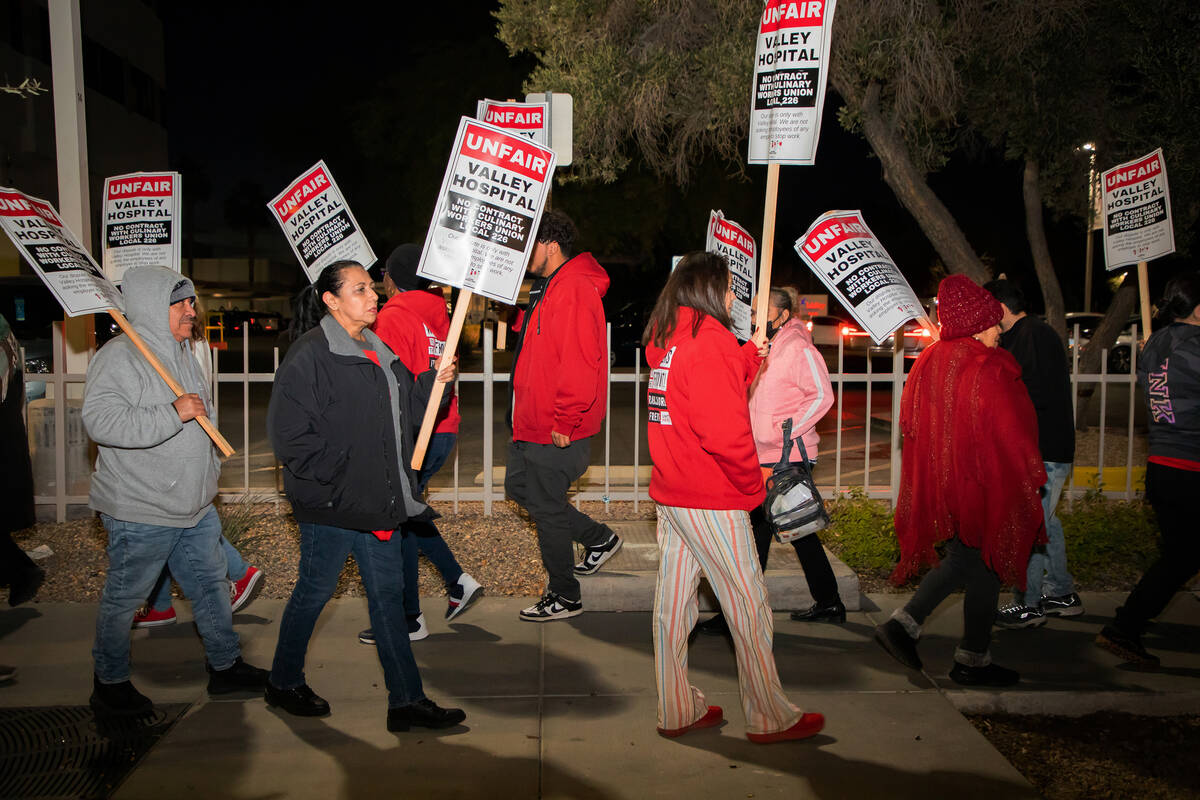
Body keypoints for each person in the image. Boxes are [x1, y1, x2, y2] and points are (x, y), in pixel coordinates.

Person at [266, 260, 465, 732]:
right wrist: (342, 479)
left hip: (380, 503)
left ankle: (406, 701)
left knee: (388, 599)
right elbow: (291, 437)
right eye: (360, 290)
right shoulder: (311, 355)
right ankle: (283, 679)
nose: (373, 296)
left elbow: (407, 421)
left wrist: (434, 383)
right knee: (314, 592)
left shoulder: (380, 349)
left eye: (373, 288)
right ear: (331, 301)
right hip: (332, 507)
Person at [644, 251, 824, 743]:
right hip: (711, 496)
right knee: (748, 606)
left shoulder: (669, 341)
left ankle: (676, 707)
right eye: (728, 289)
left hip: (674, 493)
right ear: (707, 291)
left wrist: (749, 356)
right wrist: (752, 486)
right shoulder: (710, 344)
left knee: (673, 607)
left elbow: (703, 389)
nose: (733, 297)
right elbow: (724, 431)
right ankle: (770, 716)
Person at [83, 266, 268, 716]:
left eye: (190, 301)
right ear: (151, 305)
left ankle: (225, 667)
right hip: (141, 506)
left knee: (210, 588)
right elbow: (100, 422)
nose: (192, 310)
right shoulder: (120, 356)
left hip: (193, 505)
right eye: (181, 302)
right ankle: (109, 684)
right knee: (126, 598)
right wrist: (173, 412)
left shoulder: (182, 352)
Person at [874, 274, 1046, 687]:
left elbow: (915, 425)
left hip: (949, 483)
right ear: (975, 324)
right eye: (991, 324)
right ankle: (972, 659)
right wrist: (1027, 475)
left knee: (962, 561)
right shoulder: (987, 365)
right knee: (986, 564)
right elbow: (1008, 432)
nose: (999, 331)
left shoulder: (934, 358)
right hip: (984, 484)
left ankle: (905, 625)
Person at [355, 244, 483, 647]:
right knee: (409, 514)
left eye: (384, 276)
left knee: (399, 522)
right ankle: (456, 580)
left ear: (392, 278)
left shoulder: (393, 317)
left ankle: (409, 618)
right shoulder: (438, 317)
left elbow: (388, 382)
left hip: (412, 431)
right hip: (442, 428)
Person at [697, 287, 841, 636]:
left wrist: (787, 429)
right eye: (754, 310)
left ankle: (740, 614)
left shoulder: (798, 346)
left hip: (787, 455)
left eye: (764, 311)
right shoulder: (765, 346)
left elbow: (822, 394)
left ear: (784, 313)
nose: (755, 317)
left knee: (769, 530)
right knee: (788, 530)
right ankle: (827, 602)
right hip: (759, 453)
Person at [506, 210, 621, 622]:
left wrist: (565, 420)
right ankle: (599, 539)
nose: (523, 254)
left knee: (547, 507)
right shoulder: (550, 287)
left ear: (550, 246)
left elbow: (580, 361)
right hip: (532, 422)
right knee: (519, 487)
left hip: (556, 427)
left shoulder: (572, 288)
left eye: (529, 246)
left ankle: (564, 594)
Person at [134, 308, 263, 628]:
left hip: (178, 443)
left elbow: (186, 395)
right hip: (184, 442)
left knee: (180, 522)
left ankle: (236, 571)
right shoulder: (193, 344)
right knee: (171, 523)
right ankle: (159, 602)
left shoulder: (180, 349)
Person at [1096, 272, 1200, 668]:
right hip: (1191, 466)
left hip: (1161, 464)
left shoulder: (1154, 345)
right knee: (1181, 557)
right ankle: (1126, 627)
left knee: (1179, 555)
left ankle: (1127, 625)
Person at [984, 279, 1081, 629]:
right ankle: (1061, 593)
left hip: (1045, 450)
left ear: (1000, 307)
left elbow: (1028, 391)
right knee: (1045, 521)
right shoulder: (1022, 335)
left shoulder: (1034, 335)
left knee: (1031, 524)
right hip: (1042, 448)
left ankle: (1029, 602)